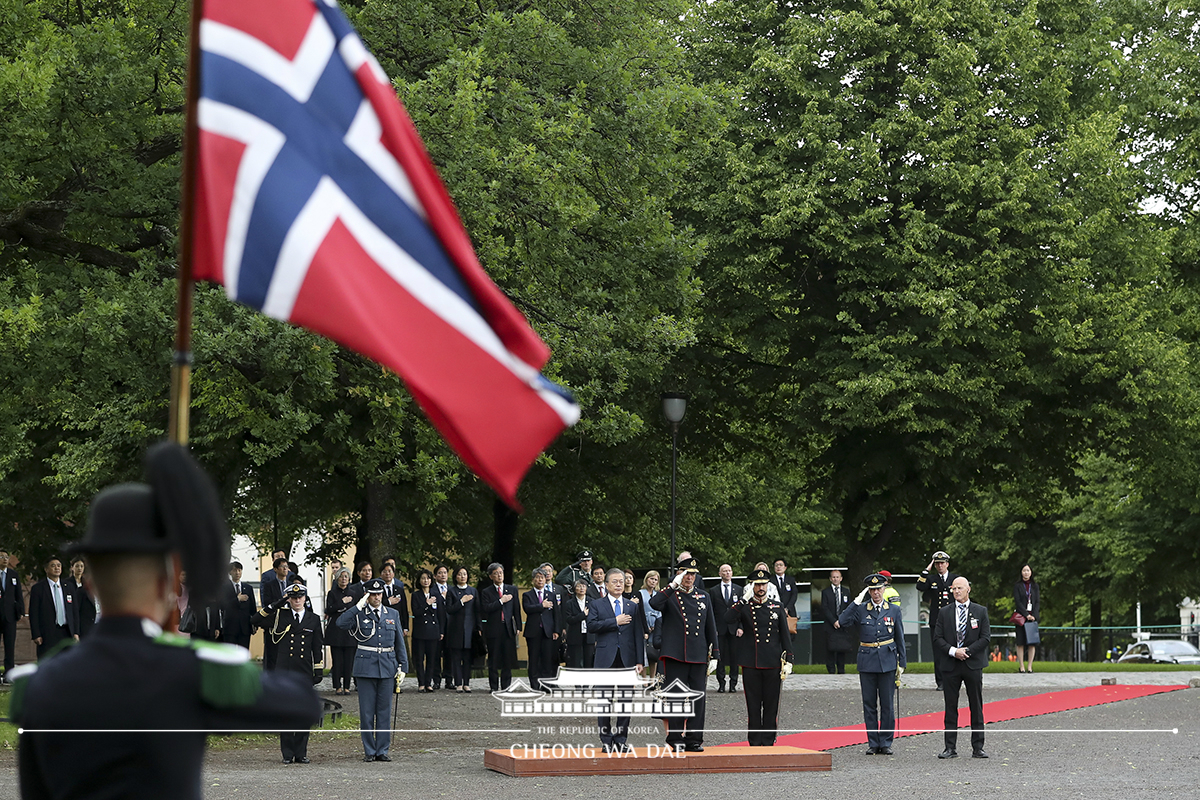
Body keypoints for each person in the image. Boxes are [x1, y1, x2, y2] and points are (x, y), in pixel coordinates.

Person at [13, 443, 322, 798]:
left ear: (91, 585)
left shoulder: (40, 685)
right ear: (166, 586)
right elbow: (302, 704)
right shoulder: (190, 673)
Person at [650, 555, 719, 753]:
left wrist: (715, 653)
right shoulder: (671, 594)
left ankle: (694, 738)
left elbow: (710, 626)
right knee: (677, 697)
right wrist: (672, 585)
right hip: (676, 654)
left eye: (693, 574)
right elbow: (655, 603)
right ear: (680, 574)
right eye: (686, 573)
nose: (690, 577)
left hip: (698, 654)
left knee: (698, 697)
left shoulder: (703, 596)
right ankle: (675, 737)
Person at [337, 576, 409, 762]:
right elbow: (341, 623)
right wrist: (357, 606)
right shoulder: (359, 613)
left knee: (384, 711)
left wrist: (403, 666)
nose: (376, 597)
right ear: (366, 595)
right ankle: (369, 750)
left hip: (387, 665)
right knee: (367, 712)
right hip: (366, 666)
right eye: (372, 594)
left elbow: (399, 642)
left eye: (379, 593)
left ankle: (382, 749)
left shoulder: (392, 614)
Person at [839, 573, 907, 755]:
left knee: (887, 704)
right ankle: (872, 742)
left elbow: (899, 636)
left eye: (878, 589)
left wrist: (902, 662)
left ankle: (885, 742)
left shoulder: (893, 610)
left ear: (884, 589)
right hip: (867, 660)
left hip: (887, 660)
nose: (876, 592)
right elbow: (842, 621)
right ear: (868, 591)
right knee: (869, 704)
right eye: (872, 589)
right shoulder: (861, 609)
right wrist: (855, 601)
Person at [257, 582, 324, 763]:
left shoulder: (314, 619)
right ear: (289, 599)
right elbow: (255, 620)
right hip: (284, 670)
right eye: (293, 598)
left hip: (303, 671)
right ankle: (287, 753)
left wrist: (318, 669)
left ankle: (301, 752)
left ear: (305, 598)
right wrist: (277, 604)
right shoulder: (280, 616)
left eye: (300, 597)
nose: (297, 600)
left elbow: (317, 647)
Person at [726, 568, 792, 746]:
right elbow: (728, 618)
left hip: (772, 662)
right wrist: (743, 599)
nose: (761, 587)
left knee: (771, 705)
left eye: (763, 584)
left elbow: (785, 635)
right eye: (757, 584)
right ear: (752, 586)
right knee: (753, 705)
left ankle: (769, 740)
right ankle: (754, 741)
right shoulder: (745, 606)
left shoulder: (776, 606)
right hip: (751, 662)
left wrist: (789, 660)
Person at [588, 568, 646, 753]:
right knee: (604, 701)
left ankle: (621, 739)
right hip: (606, 658)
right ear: (606, 585)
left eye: (621, 581)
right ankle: (606, 740)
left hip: (627, 659)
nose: (619, 584)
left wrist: (639, 660)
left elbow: (638, 634)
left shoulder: (632, 606)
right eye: (614, 581)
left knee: (625, 701)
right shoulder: (597, 604)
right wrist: (615, 621)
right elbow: (591, 626)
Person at [932, 576, 991, 759]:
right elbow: (938, 638)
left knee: (976, 705)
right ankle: (950, 747)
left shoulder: (980, 611)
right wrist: (953, 651)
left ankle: (978, 747)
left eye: (959, 588)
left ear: (968, 589)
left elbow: (985, 638)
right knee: (951, 706)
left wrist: (968, 651)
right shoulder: (944, 612)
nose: (956, 591)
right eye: (954, 588)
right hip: (951, 665)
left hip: (972, 664)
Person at [916, 550, 958, 690]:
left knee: (952, 650)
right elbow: (920, 586)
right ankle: (940, 682)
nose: (940, 566)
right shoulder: (932, 579)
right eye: (937, 563)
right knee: (938, 652)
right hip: (937, 620)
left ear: (947, 564)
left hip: (952, 619)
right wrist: (926, 570)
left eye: (942, 563)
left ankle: (952, 679)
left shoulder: (954, 578)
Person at [480, 562, 520, 690]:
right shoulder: (486, 592)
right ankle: (493, 686)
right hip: (493, 628)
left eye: (501, 573)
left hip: (508, 628)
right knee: (493, 658)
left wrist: (518, 626)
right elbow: (486, 608)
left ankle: (506, 686)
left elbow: (516, 609)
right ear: (491, 576)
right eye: (496, 573)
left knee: (507, 659)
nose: (499, 575)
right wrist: (500, 601)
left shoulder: (512, 589)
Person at [29, 556, 79, 658]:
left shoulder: (68, 586)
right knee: (48, 662)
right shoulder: (38, 588)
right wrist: (36, 634)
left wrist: (76, 632)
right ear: (46, 569)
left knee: (67, 662)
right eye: (53, 566)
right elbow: (34, 613)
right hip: (48, 633)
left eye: (59, 565)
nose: (57, 568)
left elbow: (74, 611)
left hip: (67, 631)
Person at [523, 567, 561, 691]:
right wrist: (541, 606)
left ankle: (546, 685)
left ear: (546, 579)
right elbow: (527, 609)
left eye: (542, 577)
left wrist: (556, 630)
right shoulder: (527, 595)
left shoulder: (551, 595)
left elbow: (556, 614)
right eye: (538, 577)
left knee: (547, 659)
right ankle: (534, 685)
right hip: (533, 632)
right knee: (534, 659)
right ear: (533, 579)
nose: (540, 580)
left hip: (548, 632)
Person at [410, 568, 446, 692]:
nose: (426, 581)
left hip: (433, 631)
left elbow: (441, 614)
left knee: (432, 658)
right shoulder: (416, 595)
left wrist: (441, 631)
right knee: (419, 659)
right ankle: (421, 683)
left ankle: (428, 683)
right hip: (420, 631)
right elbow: (416, 612)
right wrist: (427, 603)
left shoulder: (436, 595)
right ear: (419, 581)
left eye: (428, 578)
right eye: (423, 578)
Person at [709, 564, 741, 692]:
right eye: (724, 571)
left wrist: (740, 626)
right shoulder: (714, 590)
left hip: (734, 628)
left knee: (735, 657)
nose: (727, 573)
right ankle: (721, 683)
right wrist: (713, 628)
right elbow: (711, 611)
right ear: (720, 574)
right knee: (719, 657)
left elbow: (741, 611)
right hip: (719, 628)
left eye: (729, 571)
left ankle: (733, 684)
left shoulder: (739, 589)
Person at [445, 566, 478, 692]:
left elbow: (477, 610)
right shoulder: (452, 592)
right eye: (459, 574)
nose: (462, 576)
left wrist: (479, 627)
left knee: (467, 658)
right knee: (456, 658)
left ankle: (466, 683)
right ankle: (458, 683)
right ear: (455, 577)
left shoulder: (473, 591)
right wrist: (461, 601)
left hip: (470, 629)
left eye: (464, 574)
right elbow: (449, 609)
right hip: (455, 629)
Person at [324, 566, 356, 695]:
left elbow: (355, 610)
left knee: (349, 661)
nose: (344, 579)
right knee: (337, 661)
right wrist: (342, 603)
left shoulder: (353, 593)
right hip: (336, 631)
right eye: (341, 576)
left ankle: (347, 686)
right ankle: (337, 686)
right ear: (337, 578)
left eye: (346, 577)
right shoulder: (332, 593)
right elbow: (329, 610)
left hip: (349, 631)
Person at [258, 557, 292, 669]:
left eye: (286, 567)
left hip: (289, 621)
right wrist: (282, 600)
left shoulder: (292, 585)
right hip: (274, 622)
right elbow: (268, 603)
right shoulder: (269, 585)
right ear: (276, 569)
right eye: (282, 567)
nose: (285, 569)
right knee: (273, 653)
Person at [821, 569, 854, 674]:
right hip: (830, 625)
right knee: (830, 648)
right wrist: (834, 621)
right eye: (833, 577)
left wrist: (842, 621)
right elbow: (825, 608)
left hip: (842, 625)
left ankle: (841, 670)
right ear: (830, 579)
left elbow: (849, 607)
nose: (835, 579)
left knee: (841, 648)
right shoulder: (825, 592)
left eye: (837, 577)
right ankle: (831, 670)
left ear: (841, 578)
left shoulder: (846, 591)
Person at [0, 548, 25, 680]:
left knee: (9, 645)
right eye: (1, 557)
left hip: (10, 616)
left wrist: (20, 611)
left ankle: (8, 673)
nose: (4, 559)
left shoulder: (13, 574)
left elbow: (19, 595)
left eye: (6, 557)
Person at [222, 561, 258, 650]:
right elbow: (222, 605)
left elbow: (252, 608)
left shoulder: (248, 588)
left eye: (239, 570)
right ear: (230, 572)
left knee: (244, 652)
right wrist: (237, 600)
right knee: (230, 654)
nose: (237, 573)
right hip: (230, 627)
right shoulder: (224, 588)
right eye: (235, 570)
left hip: (245, 628)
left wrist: (255, 623)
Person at [1014, 564, 1040, 673]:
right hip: (1021, 617)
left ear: (1031, 572)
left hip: (1032, 618)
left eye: (1028, 570)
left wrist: (1033, 615)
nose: (1026, 572)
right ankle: (1021, 666)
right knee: (1020, 642)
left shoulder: (1035, 586)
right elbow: (1017, 601)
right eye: (1024, 570)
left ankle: (1029, 666)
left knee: (1031, 642)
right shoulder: (1018, 585)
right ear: (1021, 572)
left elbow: (1037, 601)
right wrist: (1026, 614)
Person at [64, 557, 98, 639]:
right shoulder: (66, 583)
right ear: (72, 567)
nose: (79, 568)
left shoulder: (86, 583)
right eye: (77, 566)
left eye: (81, 566)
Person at [563, 578, 595, 668]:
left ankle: (587, 682)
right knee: (575, 661)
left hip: (589, 635)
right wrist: (582, 615)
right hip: (575, 635)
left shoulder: (592, 602)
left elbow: (594, 617)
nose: (581, 588)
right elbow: (569, 619)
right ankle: (577, 681)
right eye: (579, 586)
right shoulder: (569, 603)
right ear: (574, 588)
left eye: (583, 586)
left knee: (589, 661)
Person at [639, 571, 662, 679]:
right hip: (644, 625)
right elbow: (639, 610)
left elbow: (660, 611)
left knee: (653, 653)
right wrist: (645, 627)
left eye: (655, 579)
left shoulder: (659, 594)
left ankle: (652, 679)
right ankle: (644, 678)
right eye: (651, 579)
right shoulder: (640, 593)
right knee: (643, 653)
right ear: (646, 579)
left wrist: (656, 626)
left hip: (655, 625)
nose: (653, 581)